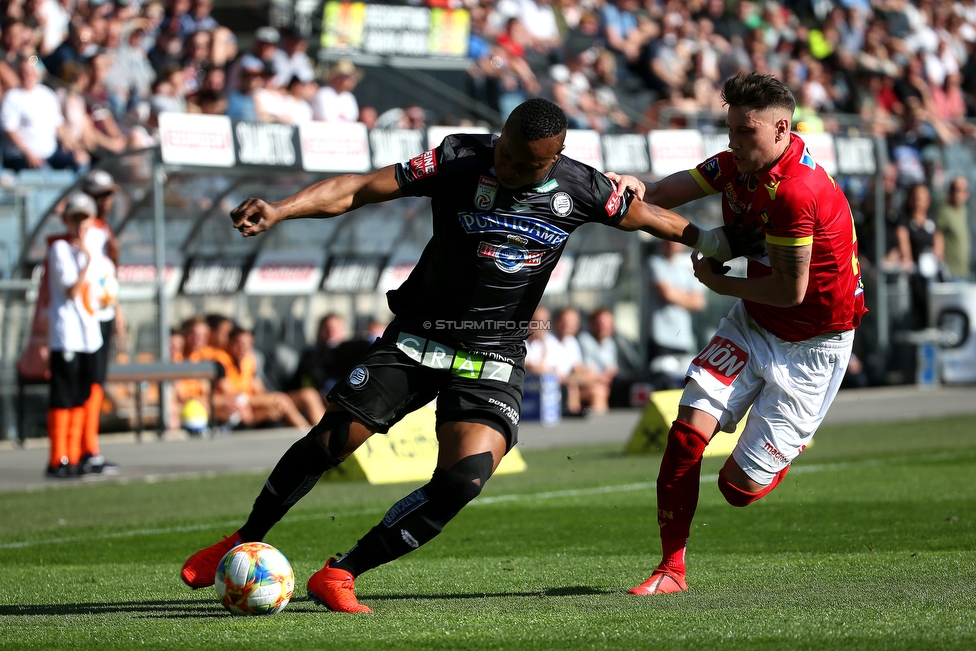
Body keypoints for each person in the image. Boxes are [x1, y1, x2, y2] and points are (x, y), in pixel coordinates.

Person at [180, 98, 739, 612]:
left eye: (527, 165)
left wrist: (716, 243)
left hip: (492, 357)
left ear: (555, 159)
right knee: (329, 443)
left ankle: (341, 573)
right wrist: (280, 210)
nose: (512, 169)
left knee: (464, 478)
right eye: (507, 154)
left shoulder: (583, 188)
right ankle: (243, 538)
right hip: (418, 337)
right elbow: (359, 189)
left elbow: (650, 218)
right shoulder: (458, 158)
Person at [625, 72, 866, 596]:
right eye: (730, 129)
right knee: (686, 432)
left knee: (736, 490)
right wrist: (633, 188)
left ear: (781, 128)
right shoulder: (737, 162)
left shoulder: (798, 192)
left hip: (812, 344)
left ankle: (788, 442)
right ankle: (672, 570)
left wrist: (720, 282)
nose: (733, 142)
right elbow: (668, 192)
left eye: (744, 132)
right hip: (755, 321)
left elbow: (789, 292)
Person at [44, 193, 102, 478]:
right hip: (66, 334)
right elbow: (70, 289)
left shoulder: (90, 249)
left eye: (85, 218)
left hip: (87, 335)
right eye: (75, 218)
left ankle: (76, 454)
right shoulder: (61, 250)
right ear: (66, 220)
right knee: (63, 395)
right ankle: (58, 457)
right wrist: (88, 261)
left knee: (80, 394)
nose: (81, 224)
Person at [77, 169, 124, 475]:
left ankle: (87, 448)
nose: (109, 200)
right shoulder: (87, 231)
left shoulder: (102, 228)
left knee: (94, 382)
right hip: (88, 315)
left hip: (101, 312)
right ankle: (84, 449)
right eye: (103, 195)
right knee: (87, 383)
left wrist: (116, 309)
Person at [215, 326, 311, 431]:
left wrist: (267, 402)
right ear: (229, 342)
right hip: (232, 404)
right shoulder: (220, 361)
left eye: (248, 344)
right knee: (280, 399)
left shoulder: (248, 360)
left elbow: (259, 389)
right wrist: (268, 400)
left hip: (249, 401)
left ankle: (309, 433)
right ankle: (306, 434)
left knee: (283, 402)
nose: (243, 348)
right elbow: (228, 393)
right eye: (238, 343)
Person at [647, 239, 706, 386]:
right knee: (661, 383)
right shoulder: (655, 262)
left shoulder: (687, 265)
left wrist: (675, 294)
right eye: (667, 240)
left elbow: (699, 302)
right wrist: (687, 296)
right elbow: (666, 294)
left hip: (683, 338)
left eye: (675, 241)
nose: (672, 244)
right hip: (661, 337)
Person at [894, 183, 944, 330]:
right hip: (915, 279)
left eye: (922, 198)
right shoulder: (904, 222)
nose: (918, 201)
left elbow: (939, 246)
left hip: (932, 276)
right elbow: (905, 248)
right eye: (915, 197)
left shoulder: (932, 222)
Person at [935, 175, 971, 281]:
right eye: (954, 189)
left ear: (966, 193)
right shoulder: (944, 210)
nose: (957, 193)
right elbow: (938, 234)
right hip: (950, 271)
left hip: (965, 270)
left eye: (960, 190)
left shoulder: (965, 212)